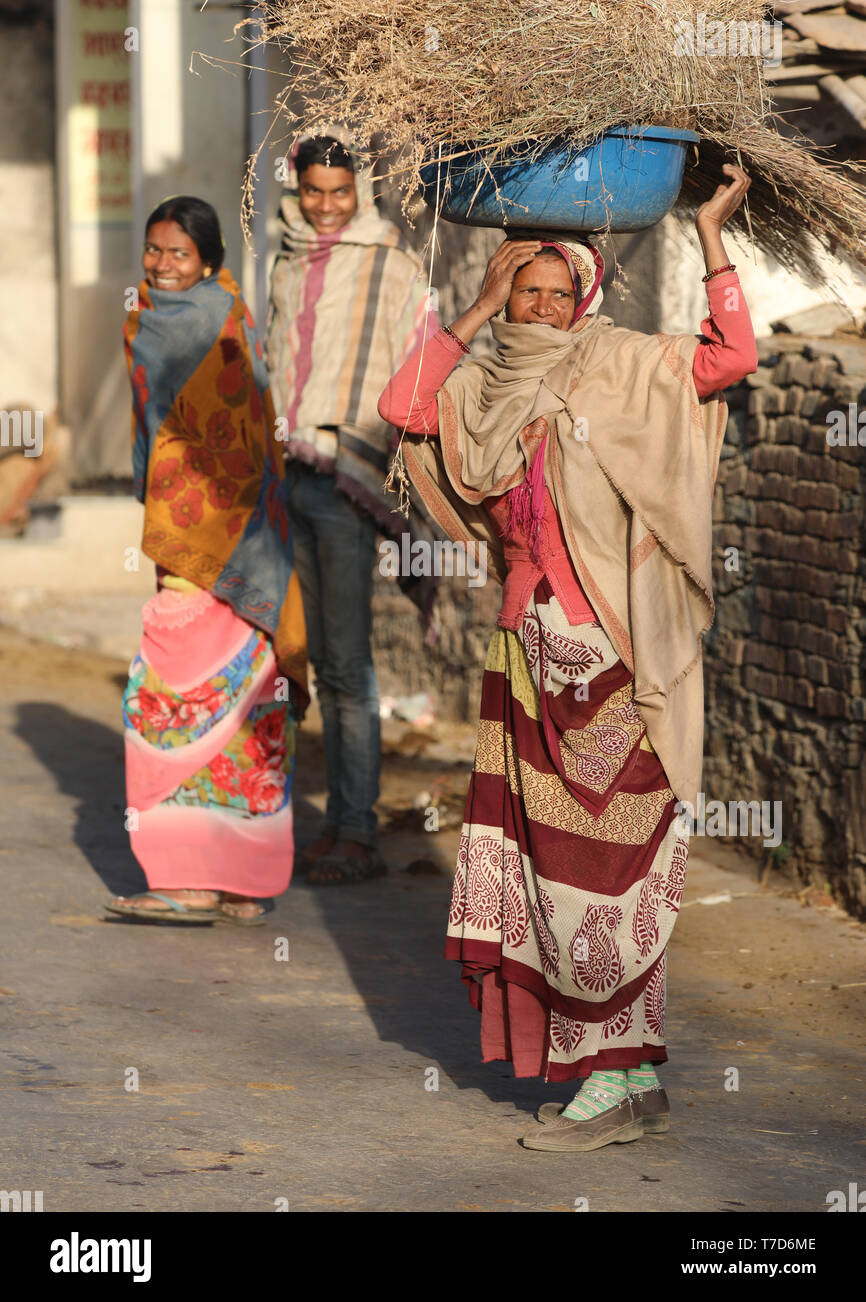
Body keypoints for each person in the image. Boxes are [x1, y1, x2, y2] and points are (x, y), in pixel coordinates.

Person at [378, 164, 758, 1150]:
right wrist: (470, 308)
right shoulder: (481, 385)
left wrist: (711, 232)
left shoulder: (623, 366)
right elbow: (402, 404)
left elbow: (728, 357)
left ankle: (609, 1077)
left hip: (615, 666)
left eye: (557, 292)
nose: (541, 307)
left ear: (586, 294)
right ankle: (622, 1078)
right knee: (549, 869)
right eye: (525, 290)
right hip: (525, 662)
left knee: (602, 868)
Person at [105, 196, 307, 926]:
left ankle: (191, 881)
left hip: (222, 539)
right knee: (241, 705)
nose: (162, 265)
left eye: (178, 255)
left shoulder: (210, 318)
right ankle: (241, 882)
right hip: (217, 539)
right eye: (154, 251)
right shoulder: (169, 315)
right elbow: (154, 429)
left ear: (210, 262)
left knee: (173, 707)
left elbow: (233, 431)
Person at [267, 135, 437, 886]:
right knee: (300, 658)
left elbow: (418, 364)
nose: (327, 207)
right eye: (314, 191)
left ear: (361, 189)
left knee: (345, 663)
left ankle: (356, 831)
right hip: (287, 481)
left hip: (345, 482)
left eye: (341, 192)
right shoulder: (284, 261)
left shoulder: (392, 267)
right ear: (297, 188)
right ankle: (331, 825)